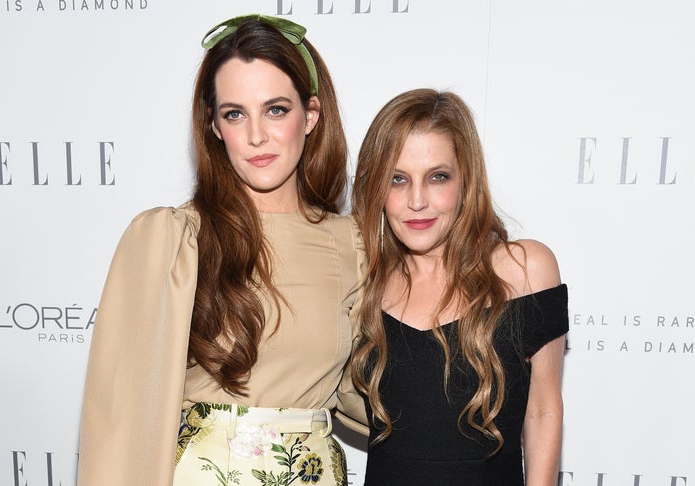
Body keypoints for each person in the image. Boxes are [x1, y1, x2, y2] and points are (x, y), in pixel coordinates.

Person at [78, 15, 364, 486]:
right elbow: (123, 421)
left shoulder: (351, 245)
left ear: (310, 115)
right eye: (235, 113)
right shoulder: (174, 239)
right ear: (213, 125)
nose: (256, 136)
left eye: (275, 109)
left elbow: (368, 394)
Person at [349, 89, 568, 485]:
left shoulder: (525, 271)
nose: (417, 201)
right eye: (397, 179)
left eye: (438, 177)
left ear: (466, 180)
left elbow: (543, 411)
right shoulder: (364, 279)